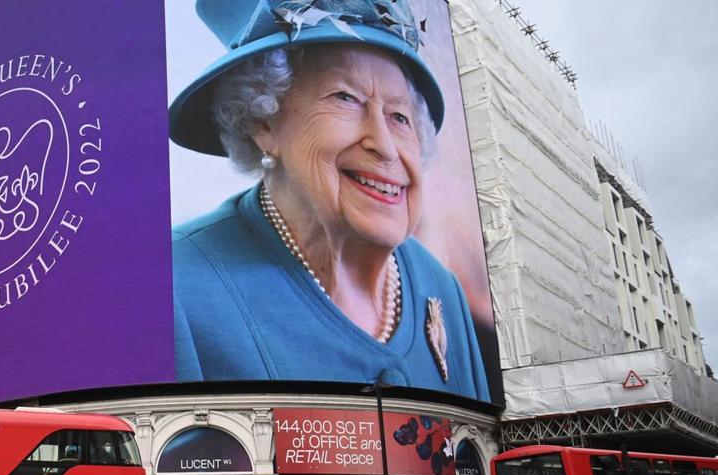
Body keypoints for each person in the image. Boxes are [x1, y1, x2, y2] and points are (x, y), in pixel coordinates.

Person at [170, 0, 488, 401]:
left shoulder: (442, 289)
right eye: (346, 97)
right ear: (262, 123)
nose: (386, 146)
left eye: (400, 116)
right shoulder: (176, 289)